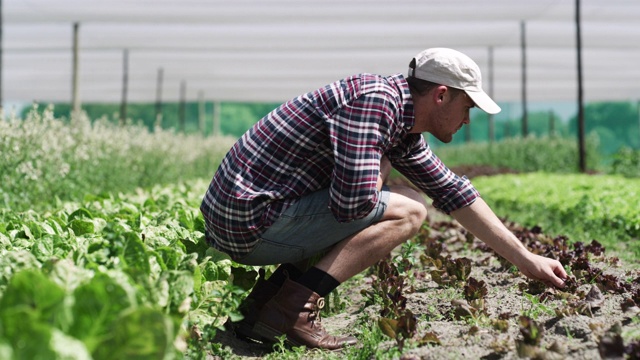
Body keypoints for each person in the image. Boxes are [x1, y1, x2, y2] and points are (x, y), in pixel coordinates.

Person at [200, 47, 568, 350]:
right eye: (467, 106)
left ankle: (266, 305)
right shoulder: (374, 103)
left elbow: (453, 191)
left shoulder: (399, 120)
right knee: (408, 211)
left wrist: (525, 259)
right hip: (251, 221)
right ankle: (294, 306)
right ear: (442, 96)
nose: (468, 119)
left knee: (406, 197)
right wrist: (383, 167)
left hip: (257, 215)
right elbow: (353, 205)